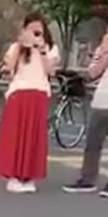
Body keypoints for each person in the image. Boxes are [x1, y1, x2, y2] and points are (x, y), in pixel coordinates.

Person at [0, 12, 60, 194]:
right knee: (15, 136)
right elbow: (8, 70)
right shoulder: (16, 47)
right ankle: (13, 176)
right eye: (31, 31)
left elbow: (50, 71)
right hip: (19, 93)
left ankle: (29, 176)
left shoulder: (50, 49)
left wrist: (41, 49)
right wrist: (21, 46)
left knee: (34, 137)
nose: (35, 35)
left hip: (39, 93)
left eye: (38, 31)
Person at [63, 27, 108, 195]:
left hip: (103, 98)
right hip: (103, 97)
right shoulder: (104, 45)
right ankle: (87, 179)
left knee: (93, 143)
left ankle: (88, 179)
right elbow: (96, 69)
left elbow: (96, 69)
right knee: (93, 142)